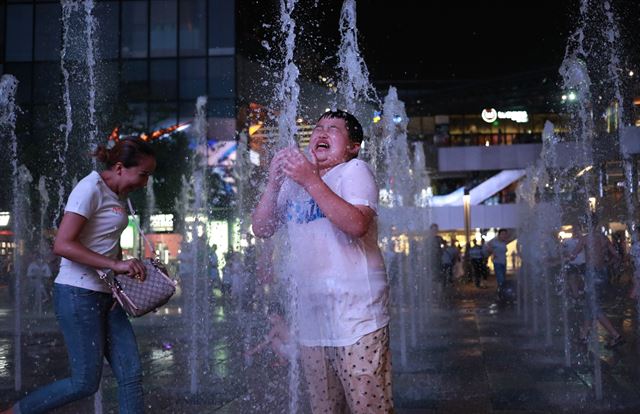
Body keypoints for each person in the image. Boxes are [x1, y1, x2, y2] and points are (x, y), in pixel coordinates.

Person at [251, 110, 393, 413]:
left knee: (368, 406)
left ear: (353, 145)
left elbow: (357, 225)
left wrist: (310, 179)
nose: (322, 133)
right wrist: (274, 184)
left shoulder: (355, 170)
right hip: (312, 317)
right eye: (317, 128)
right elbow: (262, 229)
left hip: (357, 317)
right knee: (324, 407)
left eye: (333, 129)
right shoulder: (295, 184)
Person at [2, 137, 156, 414]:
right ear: (120, 167)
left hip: (107, 297)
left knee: (131, 375)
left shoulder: (119, 195)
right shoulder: (90, 189)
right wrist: (114, 265)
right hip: (77, 294)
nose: (145, 183)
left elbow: (107, 240)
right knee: (84, 382)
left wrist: (122, 275)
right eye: (143, 174)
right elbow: (62, 244)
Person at [569, 215, 624, 349]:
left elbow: (573, 255)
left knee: (594, 307)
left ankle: (615, 335)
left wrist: (562, 256)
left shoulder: (585, 238)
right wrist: (607, 265)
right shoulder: (604, 238)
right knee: (590, 304)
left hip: (591, 273)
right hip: (602, 273)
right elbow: (617, 256)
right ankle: (583, 336)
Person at [245, 302, 293, 366]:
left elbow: (265, 342)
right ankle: (284, 361)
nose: (269, 320)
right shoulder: (286, 322)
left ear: (276, 316)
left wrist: (252, 351)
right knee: (274, 341)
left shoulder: (276, 327)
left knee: (273, 341)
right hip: (296, 352)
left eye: (270, 318)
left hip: (290, 352)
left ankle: (282, 361)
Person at [485, 229, 516, 293]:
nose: (504, 236)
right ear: (499, 235)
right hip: (497, 262)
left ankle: (501, 291)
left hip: (503, 262)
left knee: (503, 278)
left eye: (505, 234)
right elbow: (487, 246)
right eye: (502, 234)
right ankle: (501, 292)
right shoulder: (494, 242)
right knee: (500, 279)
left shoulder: (504, 242)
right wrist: (492, 253)